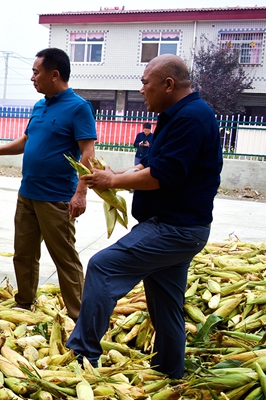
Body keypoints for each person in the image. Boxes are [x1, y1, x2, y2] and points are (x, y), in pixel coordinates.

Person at [66, 54, 223, 378]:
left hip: (173, 229)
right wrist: (116, 174)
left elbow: (165, 175)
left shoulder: (192, 118)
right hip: (181, 230)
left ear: (168, 84)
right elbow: (149, 164)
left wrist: (114, 181)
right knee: (166, 305)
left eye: (144, 82)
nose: (141, 90)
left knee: (102, 266)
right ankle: (170, 371)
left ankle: (83, 354)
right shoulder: (174, 115)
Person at [0, 48, 96, 320]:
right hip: (28, 192)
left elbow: (88, 153)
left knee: (64, 259)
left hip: (57, 198)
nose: (32, 78)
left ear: (54, 75)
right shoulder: (40, 105)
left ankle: (81, 317)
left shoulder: (79, 107)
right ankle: (24, 302)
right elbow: (27, 140)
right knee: (24, 254)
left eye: (35, 72)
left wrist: (81, 193)